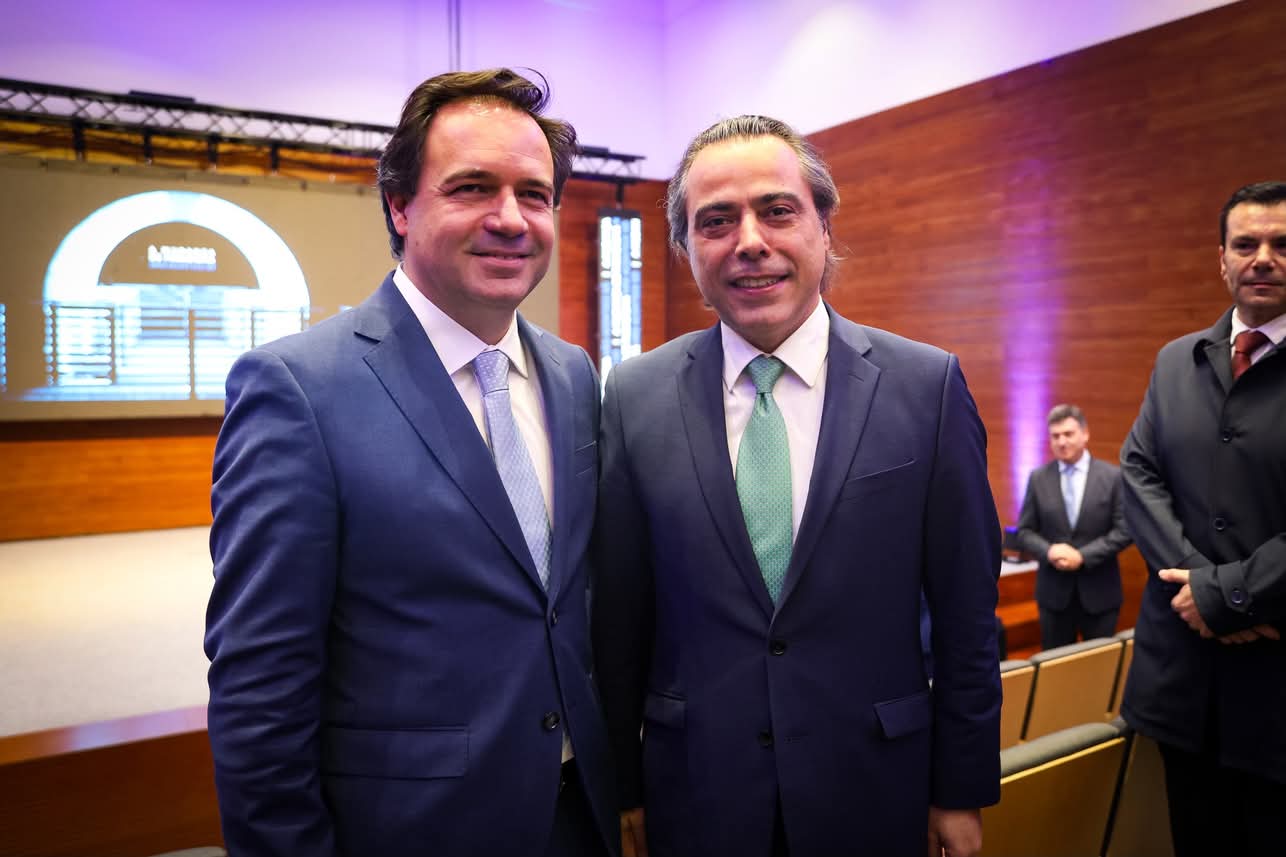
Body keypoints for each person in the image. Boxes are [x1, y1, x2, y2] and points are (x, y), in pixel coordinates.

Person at [205, 68, 617, 857]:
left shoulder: (571, 373)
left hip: (578, 815)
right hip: (413, 828)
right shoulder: (298, 388)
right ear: (399, 204)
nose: (510, 218)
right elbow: (260, 684)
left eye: (534, 195)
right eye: (472, 187)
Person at [592, 115, 1002, 857]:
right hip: (695, 796)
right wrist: (625, 787)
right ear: (686, 250)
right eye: (716, 221)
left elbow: (967, 615)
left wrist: (960, 788)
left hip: (877, 788)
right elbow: (620, 621)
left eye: (777, 210)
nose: (749, 241)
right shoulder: (633, 396)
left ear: (823, 227)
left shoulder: (926, 387)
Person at [1119, 180, 1286, 857]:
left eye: (1281, 244)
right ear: (1222, 259)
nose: (1263, 258)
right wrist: (1202, 592)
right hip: (1182, 683)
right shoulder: (1174, 361)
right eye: (1245, 244)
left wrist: (1227, 596)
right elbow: (1138, 476)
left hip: (1275, 686)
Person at [1016, 404, 1132, 649]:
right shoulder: (1038, 478)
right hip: (1054, 597)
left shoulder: (1112, 477)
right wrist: (1049, 551)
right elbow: (1024, 532)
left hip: (1100, 594)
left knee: (1100, 667)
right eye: (1055, 436)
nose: (1062, 442)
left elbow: (1126, 530)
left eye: (1068, 434)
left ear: (1085, 434)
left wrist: (1082, 556)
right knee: (1055, 668)